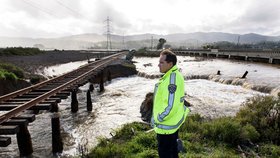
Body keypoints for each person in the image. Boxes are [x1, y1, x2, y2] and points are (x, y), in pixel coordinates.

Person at [151, 49, 190, 158]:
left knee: (165, 154)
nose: (158, 65)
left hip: (166, 126)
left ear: (170, 64)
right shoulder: (171, 75)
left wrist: (158, 118)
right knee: (172, 151)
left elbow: (170, 105)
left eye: (161, 62)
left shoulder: (172, 79)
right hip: (171, 124)